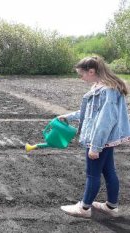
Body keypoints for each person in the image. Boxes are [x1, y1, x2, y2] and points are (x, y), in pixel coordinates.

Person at [58, 56, 130, 218]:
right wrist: (68, 117)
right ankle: (111, 206)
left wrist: (95, 147)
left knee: (93, 174)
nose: (81, 78)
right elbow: (90, 113)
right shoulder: (102, 87)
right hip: (105, 140)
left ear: (91, 71)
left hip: (99, 140)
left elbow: (105, 121)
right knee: (109, 171)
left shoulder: (107, 91)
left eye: (81, 74)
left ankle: (84, 208)